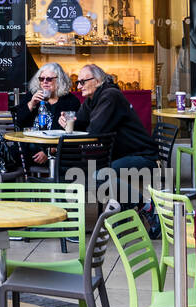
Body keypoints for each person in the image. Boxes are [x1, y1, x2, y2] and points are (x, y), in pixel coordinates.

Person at [61, 64, 158, 230]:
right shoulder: (93, 99)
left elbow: (95, 131)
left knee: (100, 175)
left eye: (83, 82)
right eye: (78, 82)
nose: (79, 86)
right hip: (121, 155)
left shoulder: (110, 96)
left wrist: (77, 125)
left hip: (141, 156)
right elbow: (81, 123)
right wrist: (67, 121)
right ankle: (125, 212)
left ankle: (145, 206)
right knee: (90, 171)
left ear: (98, 81)